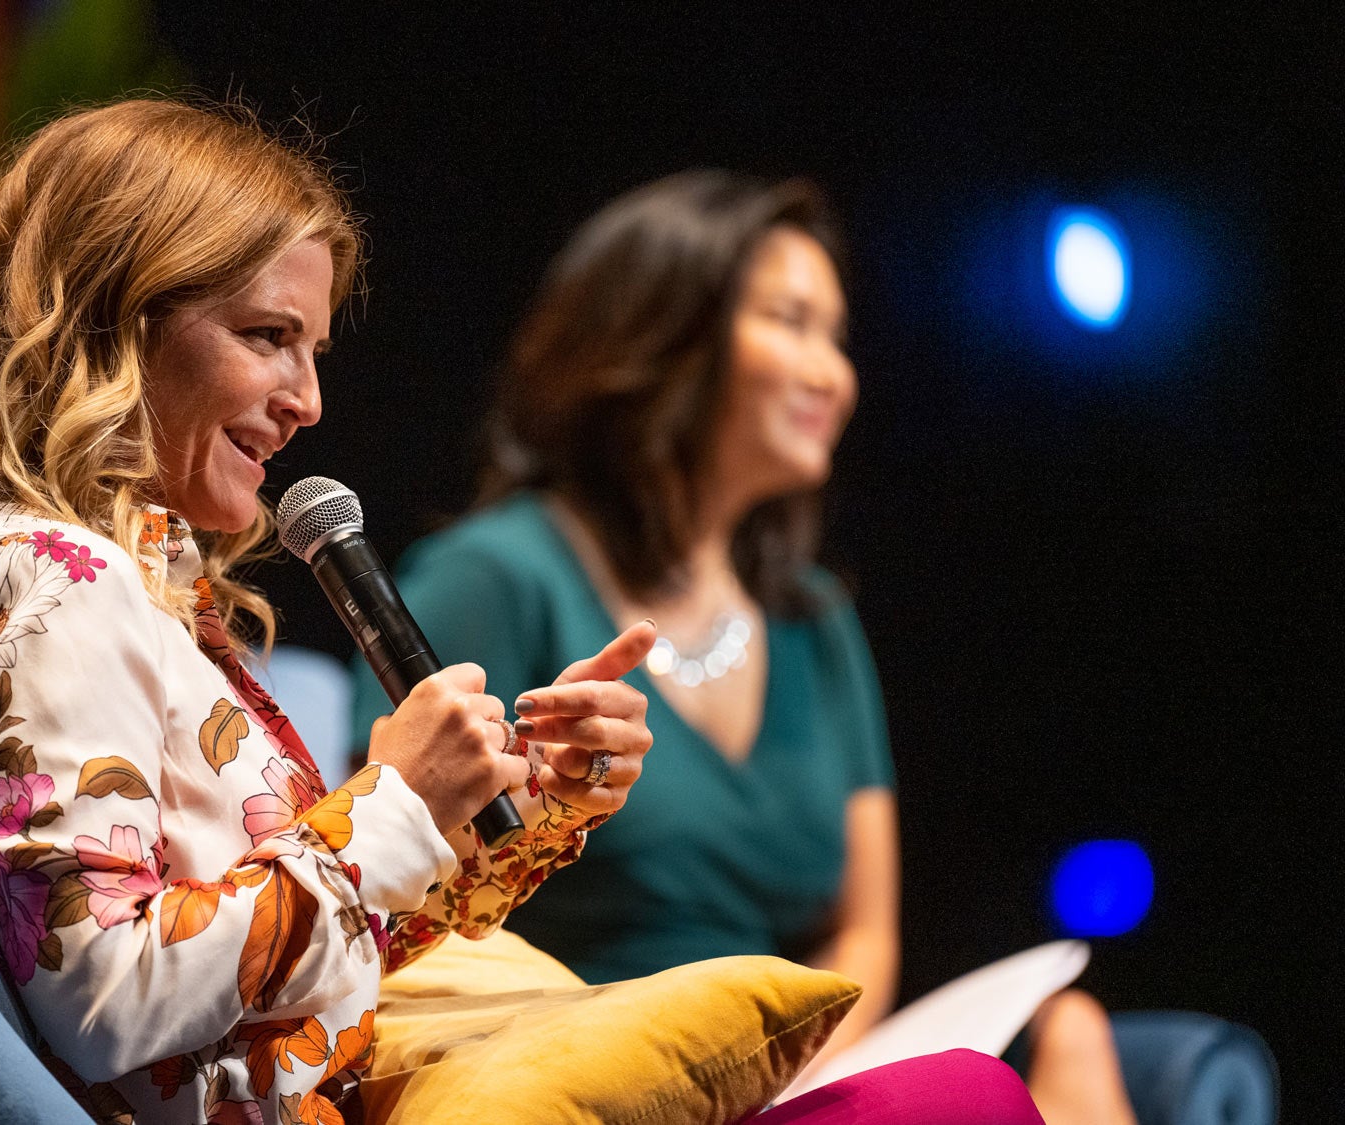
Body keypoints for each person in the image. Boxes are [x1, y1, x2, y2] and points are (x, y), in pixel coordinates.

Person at [0, 100, 1041, 1125]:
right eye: (268, 338)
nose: (306, 401)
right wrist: (388, 808)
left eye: (311, 351)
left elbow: (285, 962)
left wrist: (522, 802)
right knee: (953, 1102)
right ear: (117, 317)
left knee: (966, 1087)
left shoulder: (97, 583)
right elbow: (107, 992)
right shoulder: (52, 580)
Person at [350, 171, 1139, 1125]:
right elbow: (387, 883)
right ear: (663, 337)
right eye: (791, 322)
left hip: (784, 1062)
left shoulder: (811, 620)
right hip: (589, 1071)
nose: (835, 372)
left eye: (837, 337)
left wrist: (792, 1072)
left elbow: (863, 928)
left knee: (1078, 1033)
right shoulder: (494, 575)